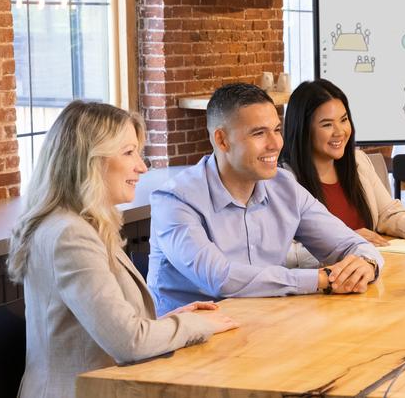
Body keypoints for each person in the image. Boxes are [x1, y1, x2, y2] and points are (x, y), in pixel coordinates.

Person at [7, 101, 237, 398]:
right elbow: (128, 343)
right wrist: (194, 325)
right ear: (90, 160)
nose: (141, 166)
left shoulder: (81, 223)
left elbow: (111, 328)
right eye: (128, 152)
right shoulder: (71, 235)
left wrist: (171, 320)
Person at [147, 83, 384, 315]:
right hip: (189, 345)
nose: (275, 144)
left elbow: (352, 244)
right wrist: (324, 278)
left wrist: (366, 265)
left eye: (277, 130)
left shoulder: (285, 186)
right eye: (259, 133)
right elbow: (221, 278)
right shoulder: (174, 200)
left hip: (265, 326)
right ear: (221, 140)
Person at [281, 79, 405, 247]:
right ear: (303, 130)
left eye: (343, 120)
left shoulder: (359, 162)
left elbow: (387, 213)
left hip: (373, 267)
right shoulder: (283, 181)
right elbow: (286, 252)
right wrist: (346, 241)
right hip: (327, 272)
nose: (340, 131)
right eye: (327, 124)